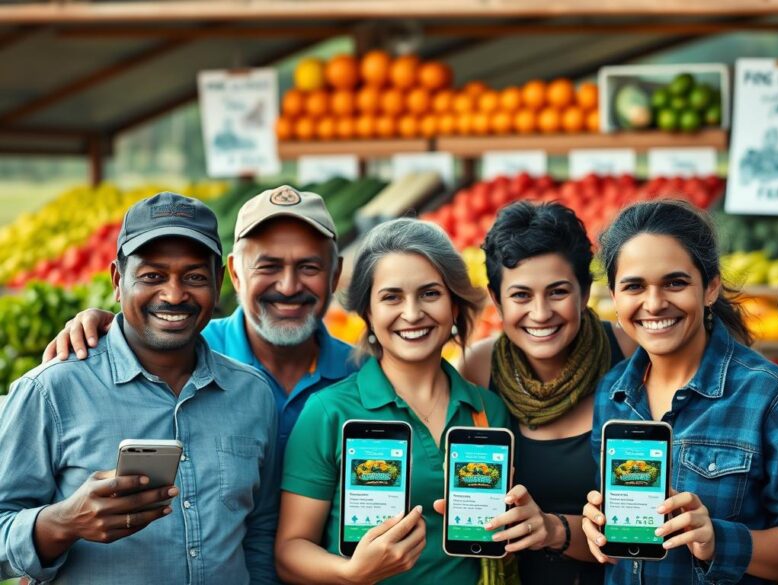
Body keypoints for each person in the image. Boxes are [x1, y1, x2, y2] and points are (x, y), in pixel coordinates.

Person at [0, 192, 279, 583]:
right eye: (152, 276)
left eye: (195, 277)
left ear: (218, 284)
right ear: (118, 280)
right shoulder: (52, 390)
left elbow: (260, 532)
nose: (174, 294)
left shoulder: (252, 393)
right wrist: (61, 523)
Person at [275, 218, 547, 584]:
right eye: (391, 297)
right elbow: (290, 551)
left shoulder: (487, 410)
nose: (413, 313)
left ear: (454, 304)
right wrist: (351, 572)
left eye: (430, 293)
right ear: (367, 313)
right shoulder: (328, 412)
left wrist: (519, 520)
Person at [580, 200, 778, 585]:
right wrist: (597, 527)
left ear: (710, 288)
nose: (654, 304)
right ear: (615, 300)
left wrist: (716, 539)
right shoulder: (613, 392)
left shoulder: (768, 395)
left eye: (675, 282)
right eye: (634, 286)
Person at [43, 185, 356, 457]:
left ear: (335, 275)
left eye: (309, 267)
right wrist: (114, 326)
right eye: (268, 266)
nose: (288, 287)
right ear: (234, 274)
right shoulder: (186, 354)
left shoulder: (363, 374)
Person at [459, 201, 634, 585]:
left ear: (584, 291)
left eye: (557, 292)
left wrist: (554, 530)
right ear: (495, 299)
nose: (540, 314)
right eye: (521, 295)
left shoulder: (630, 356)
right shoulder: (476, 367)